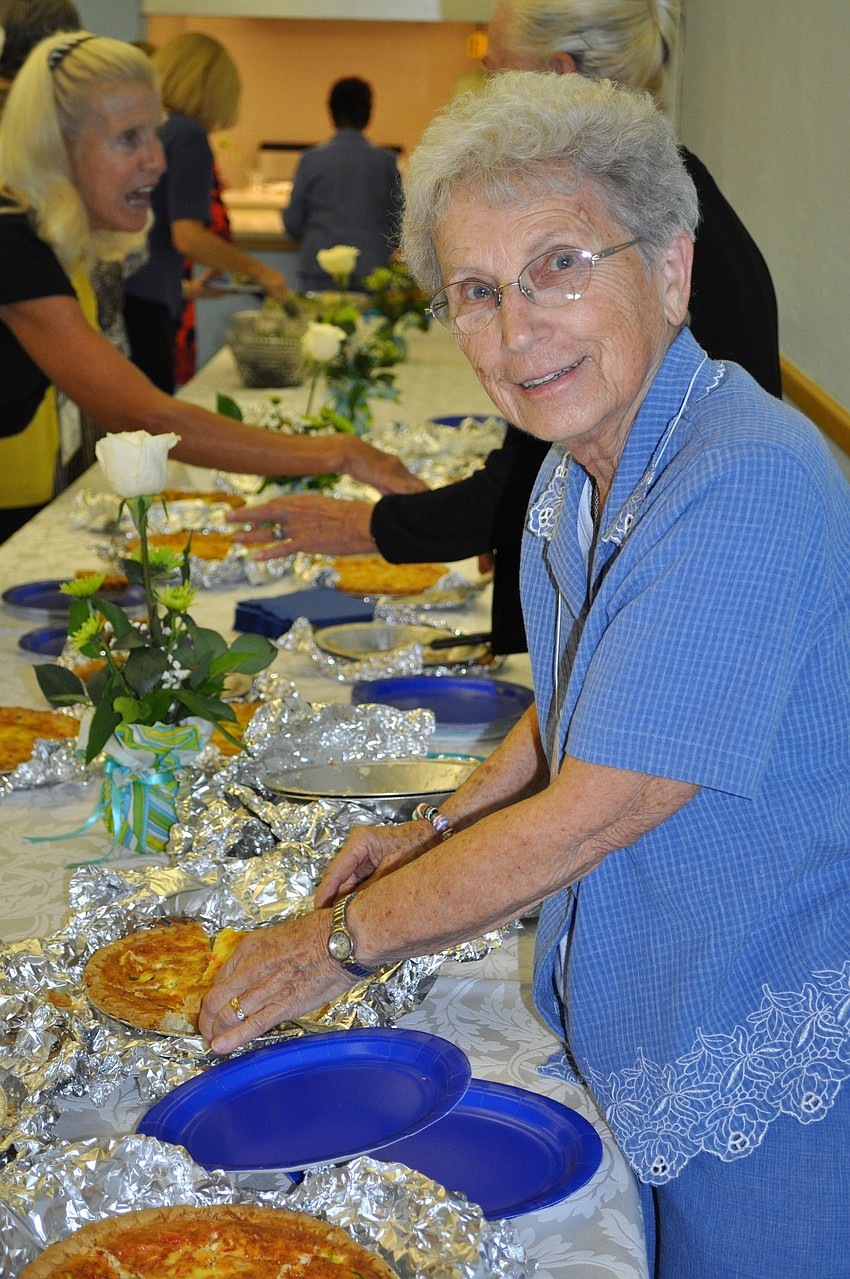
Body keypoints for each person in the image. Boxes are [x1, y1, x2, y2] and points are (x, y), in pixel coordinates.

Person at [200, 72, 850, 1279]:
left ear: (669, 269)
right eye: (479, 292)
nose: (518, 330)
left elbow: (601, 802)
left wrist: (335, 942)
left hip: (767, 1041)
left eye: (561, 265)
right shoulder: (578, 466)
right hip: (647, 1009)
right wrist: (435, 830)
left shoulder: (744, 477)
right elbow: (581, 702)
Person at [230, 0, 782, 655]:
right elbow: (548, 470)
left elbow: (535, 481)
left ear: (556, 74)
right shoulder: (661, 190)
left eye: (495, 76)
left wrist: (369, 525)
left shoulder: (635, 225)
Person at [0, 31, 422, 542]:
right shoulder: (12, 242)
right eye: (128, 138)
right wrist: (340, 451)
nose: (156, 160)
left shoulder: (46, 238)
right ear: (56, 147)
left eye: (154, 134)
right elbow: (141, 412)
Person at [123, 32, 290, 394]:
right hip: (147, 309)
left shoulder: (156, 127)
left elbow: (149, 234)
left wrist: (187, 289)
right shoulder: (188, 134)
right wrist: (262, 273)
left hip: (126, 295)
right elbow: (188, 236)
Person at [283, 76, 403, 294]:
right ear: (368, 113)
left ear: (331, 112)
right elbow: (399, 222)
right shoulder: (386, 162)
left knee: (319, 326)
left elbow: (293, 222)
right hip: (372, 268)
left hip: (318, 267)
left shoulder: (310, 160)